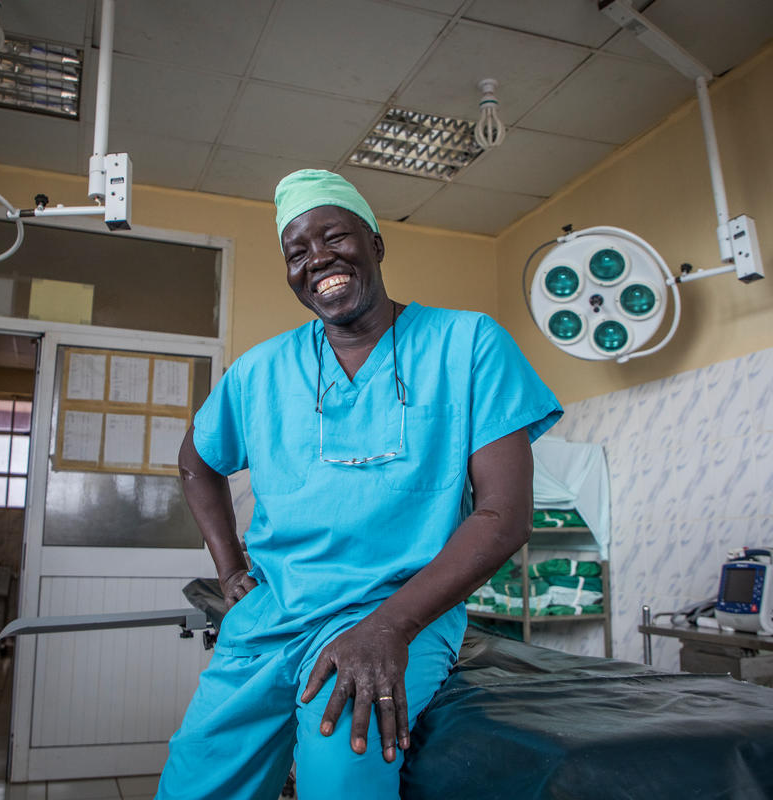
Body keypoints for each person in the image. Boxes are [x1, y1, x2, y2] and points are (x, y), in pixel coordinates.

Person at [156, 170, 561, 799]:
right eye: (297, 252)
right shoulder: (258, 370)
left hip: (395, 606)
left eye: (335, 237)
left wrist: (389, 628)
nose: (318, 259)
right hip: (273, 613)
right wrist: (230, 566)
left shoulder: (469, 343)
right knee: (195, 781)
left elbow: (503, 515)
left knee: (339, 768)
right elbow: (196, 463)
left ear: (376, 243)